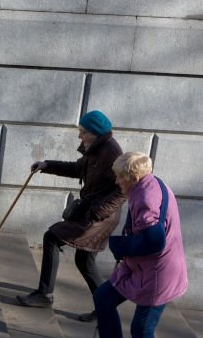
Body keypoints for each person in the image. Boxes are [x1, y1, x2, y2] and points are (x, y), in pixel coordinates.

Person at [84, 151, 188, 338]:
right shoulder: (151, 183)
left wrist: (120, 246)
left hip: (158, 274)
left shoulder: (146, 197)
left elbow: (153, 240)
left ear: (133, 177)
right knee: (103, 298)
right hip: (141, 267)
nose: (117, 182)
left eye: (120, 177)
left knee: (142, 329)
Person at [17, 110, 126, 322]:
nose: (79, 136)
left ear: (94, 133)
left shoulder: (111, 152)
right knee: (85, 261)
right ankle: (106, 306)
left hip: (98, 218)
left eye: (83, 132)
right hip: (92, 212)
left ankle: (44, 294)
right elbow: (78, 169)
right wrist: (47, 165)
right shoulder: (96, 148)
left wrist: (97, 212)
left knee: (52, 237)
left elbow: (122, 190)